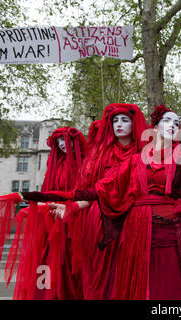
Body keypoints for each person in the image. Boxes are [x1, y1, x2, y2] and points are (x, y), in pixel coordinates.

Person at [24, 104, 181, 300]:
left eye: (176, 123)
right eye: (167, 122)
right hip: (138, 230)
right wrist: (71, 204)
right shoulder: (135, 161)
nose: (173, 126)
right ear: (155, 127)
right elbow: (104, 189)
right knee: (140, 284)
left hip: (174, 230)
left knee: (172, 284)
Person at [50, 103, 149, 300]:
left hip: (132, 218)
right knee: (98, 270)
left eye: (125, 120)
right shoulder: (100, 154)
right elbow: (87, 187)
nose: (119, 124)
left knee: (128, 269)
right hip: (98, 218)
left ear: (134, 123)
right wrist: (72, 205)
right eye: (115, 120)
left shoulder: (146, 153)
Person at [0, 127, 87, 300]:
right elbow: (47, 192)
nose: (61, 144)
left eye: (65, 140)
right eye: (58, 141)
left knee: (70, 264)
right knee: (48, 262)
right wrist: (29, 201)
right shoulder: (55, 165)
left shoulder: (86, 164)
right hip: (53, 219)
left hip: (78, 219)